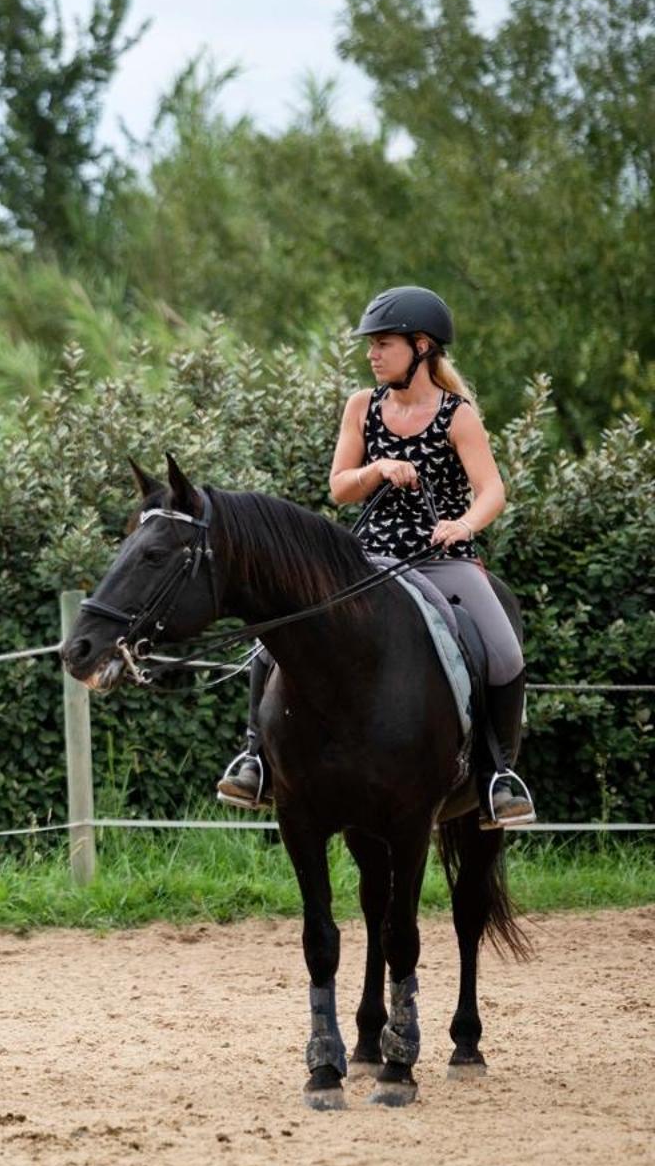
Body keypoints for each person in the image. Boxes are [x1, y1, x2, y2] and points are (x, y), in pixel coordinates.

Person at [216, 285, 536, 828]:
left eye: (383, 344)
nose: (372, 354)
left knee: (503, 652)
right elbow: (341, 487)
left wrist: (461, 524)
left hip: (442, 559)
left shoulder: (458, 416)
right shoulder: (362, 407)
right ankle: (254, 759)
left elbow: (492, 492)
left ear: (422, 347)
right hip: (363, 562)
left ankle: (497, 777)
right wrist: (378, 469)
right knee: (273, 638)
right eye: (371, 345)